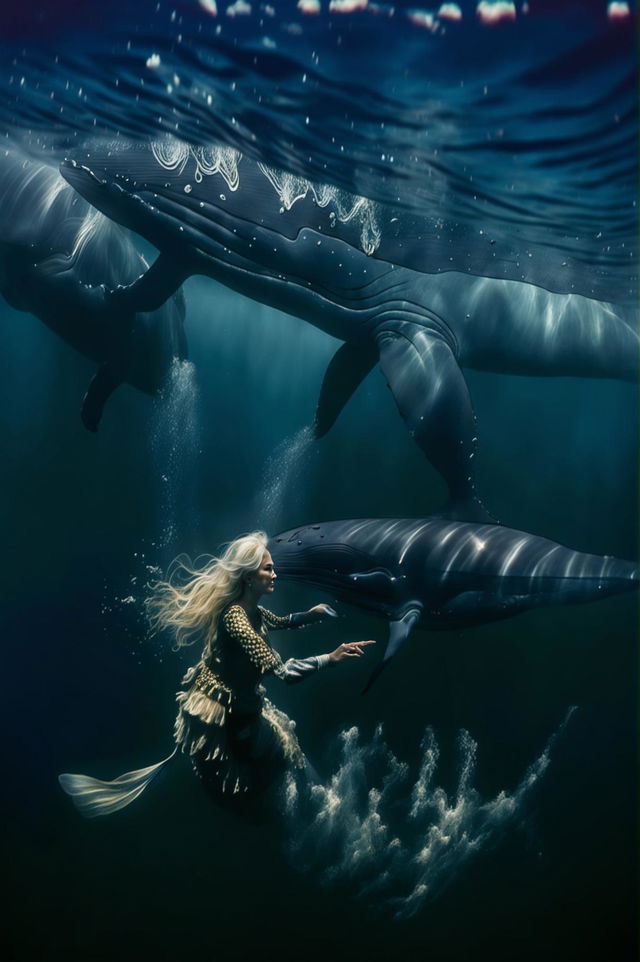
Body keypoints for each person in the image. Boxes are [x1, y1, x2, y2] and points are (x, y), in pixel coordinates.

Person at [58, 531, 374, 817]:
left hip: (242, 698)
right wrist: (330, 658)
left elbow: (279, 620)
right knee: (246, 776)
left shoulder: (252, 610)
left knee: (271, 759)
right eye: (268, 569)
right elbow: (283, 672)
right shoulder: (236, 619)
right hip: (225, 708)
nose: (275, 574)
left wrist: (313, 615)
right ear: (249, 577)